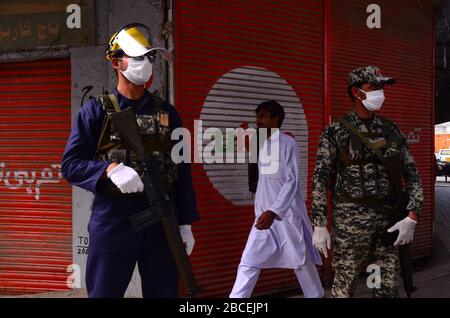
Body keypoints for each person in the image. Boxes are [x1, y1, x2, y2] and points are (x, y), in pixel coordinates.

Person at [61, 23, 199, 298]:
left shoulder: (168, 113)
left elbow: (181, 170)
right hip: (113, 218)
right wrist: (108, 169)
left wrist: (185, 222)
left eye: (150, 57)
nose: (146, 63)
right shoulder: (96, 111)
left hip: (161, 217)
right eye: (138, 57)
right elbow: (71, 165)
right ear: (116, 62)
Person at [311, 66, 424, 298]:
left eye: (381, 87)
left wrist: (412, 216)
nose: (379, 92)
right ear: (356, 92)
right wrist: (319, 224)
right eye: (373, 87)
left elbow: (412, 174)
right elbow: (320, 179)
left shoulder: (391, 130)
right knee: (344, 289)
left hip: (388, 224)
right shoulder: (335, 131)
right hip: (349, 227)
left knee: (386, 288)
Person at [230, 100, 324, 298]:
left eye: (263, 116)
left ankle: (316, 295)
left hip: (286, 216)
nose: (258, 121)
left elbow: (292, 182)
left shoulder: (288, 144)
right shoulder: (258, 142)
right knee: (249, 261)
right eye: (258, 116)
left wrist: (274, 212)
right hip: (263, 216)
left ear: (275, 120)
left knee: (300, 261)